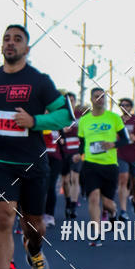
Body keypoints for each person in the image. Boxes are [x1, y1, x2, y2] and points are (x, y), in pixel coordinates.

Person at [0, 25, 72, 269]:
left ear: (27, 48)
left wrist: (35, 122)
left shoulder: (40, 81)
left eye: (17, 39)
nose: (11, 43)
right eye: (6, 38)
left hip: (32, 161)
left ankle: (34, 250)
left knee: (34, 225)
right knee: (2, 217)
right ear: (1, 46)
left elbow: (66, 115)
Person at [74, 88, 130, 242]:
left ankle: (113, 214)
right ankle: (97, 233)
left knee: (107, 203)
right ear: (92, 99)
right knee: (93, 197)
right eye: (97, 96)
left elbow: (125, 140)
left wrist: (113, 144)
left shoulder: (114, 118)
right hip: (90, 164)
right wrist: (79, 154)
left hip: (110, 165)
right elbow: (82, 143)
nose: (100, 99)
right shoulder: (85, 120)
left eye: (103, 97)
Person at [60, 92, 81, 220]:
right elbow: (52, 131)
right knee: (65, 181)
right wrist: (62, 130)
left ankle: (73, 206)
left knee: (75, 178)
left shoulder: (80, 116)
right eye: (68, 100)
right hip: (63, 151)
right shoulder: (60, 115)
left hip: (76, 152)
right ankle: (68, 201)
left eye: (73, 100)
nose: (70, 102)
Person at [43, 130, 63, 227]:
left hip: (55, 159)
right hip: (40, 158)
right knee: (39, 187)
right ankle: (36, 213)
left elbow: (62, 140)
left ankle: (49, 215)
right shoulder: (37, 120)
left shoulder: (57, 123)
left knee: (51, 186)